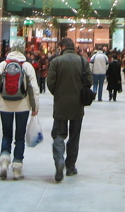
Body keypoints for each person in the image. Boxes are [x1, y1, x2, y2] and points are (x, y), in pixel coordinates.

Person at [47, 37, 92, 182]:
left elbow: (50, 83)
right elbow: (89, 82)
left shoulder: (56, 61)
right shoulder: (82, 61)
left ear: (62, 47)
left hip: (60, 104)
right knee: (74, 136)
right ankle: (71, 166)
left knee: (59, 134)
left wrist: (58, 94)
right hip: (78, 104)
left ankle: (59, 159)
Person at [0, 47, 40, 180]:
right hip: (22, 106)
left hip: (5, 105)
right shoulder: (27, 66)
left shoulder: (2, 65)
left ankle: (4, 160)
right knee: (20, 137)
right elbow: (33, 89)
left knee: (6, 134)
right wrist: (35, 107)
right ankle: (17, 168)